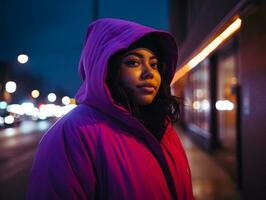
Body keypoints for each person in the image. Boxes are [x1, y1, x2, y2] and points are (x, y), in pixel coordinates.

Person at [27, 18, 194, 200]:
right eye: (133, 62)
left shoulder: (163, 127)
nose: (150, 73)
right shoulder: (71, 134)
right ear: (106, 67)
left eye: (154, 64)